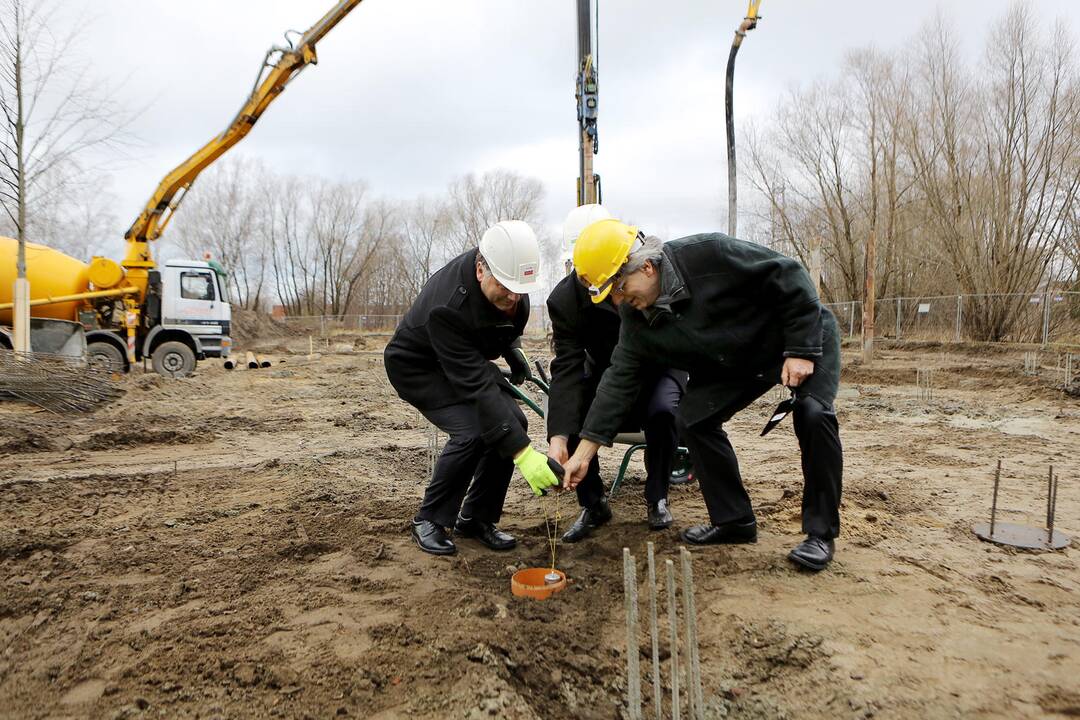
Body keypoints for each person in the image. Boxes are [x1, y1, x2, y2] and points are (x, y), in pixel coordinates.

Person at [561, 220, 844, 571]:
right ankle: (734, 521)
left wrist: (801, 347)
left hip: (796, 335)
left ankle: (820, 534)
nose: (619, 301)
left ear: (646, 266)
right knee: (693, 418)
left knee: (813, 413)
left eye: (618, 287)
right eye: (610, 296)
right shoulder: (636, 321)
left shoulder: (709, 254)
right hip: (736, 361)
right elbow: (617, 382)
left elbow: (788, 274)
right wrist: (584, 455)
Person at [384, 220, 561, 556]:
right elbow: (477, 387)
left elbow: (502, 329)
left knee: (514, 423)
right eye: (505, 287)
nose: (513, 297)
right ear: (481, 270)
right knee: (474, 431)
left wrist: (515, 351)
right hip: (419, 367)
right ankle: (429, 520)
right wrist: (523, 454)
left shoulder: (511, 285)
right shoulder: (448, 306)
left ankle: (476, 518)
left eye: (519, 290)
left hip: (464, 360)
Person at [547, 204, 688, 541]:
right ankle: (593, 504)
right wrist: (559, 437)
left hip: (660, 369)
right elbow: (567, 368)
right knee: (579, 411)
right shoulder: (565, 301)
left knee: (663, 411)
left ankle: (657, 498)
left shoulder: (649, 277)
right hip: (606, 377)